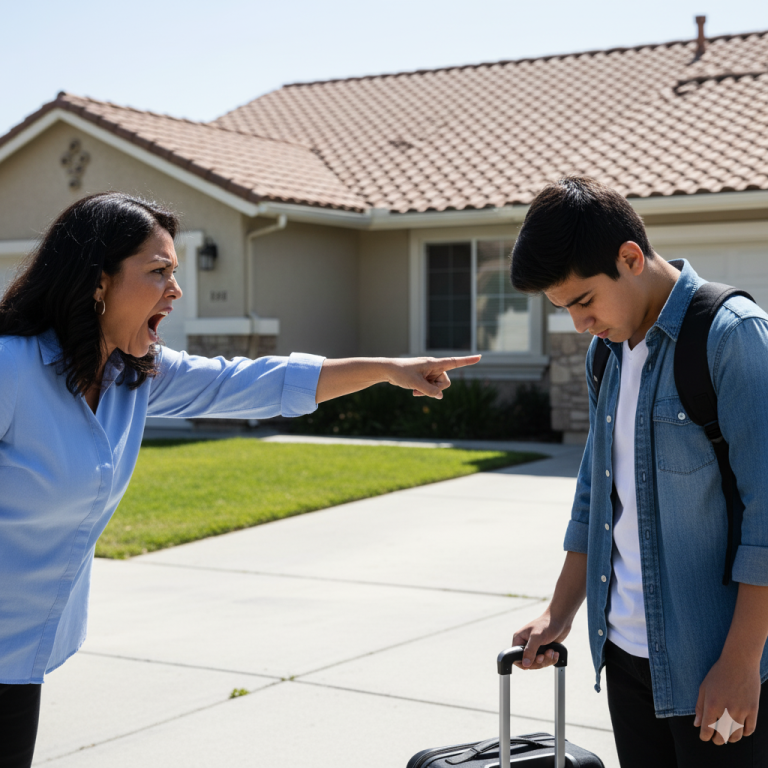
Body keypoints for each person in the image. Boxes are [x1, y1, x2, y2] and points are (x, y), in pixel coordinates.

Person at [0, 192, 480, 768]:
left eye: (175, 273)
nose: (175, 291)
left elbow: (253, 381)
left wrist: (383, 370)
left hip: (22, 653)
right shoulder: (12, 369)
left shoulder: (133, 376)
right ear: (98, 283)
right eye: (158, 273)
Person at [508, 177, 768, 767]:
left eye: (583, 301)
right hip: (625, 658)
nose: (579, 325)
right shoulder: (609, 352)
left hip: (716, 667)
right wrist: (560, 611)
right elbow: (596, 494)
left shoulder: (732, 338)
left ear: (629, 257)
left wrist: (741, 661)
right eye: (564, 309)